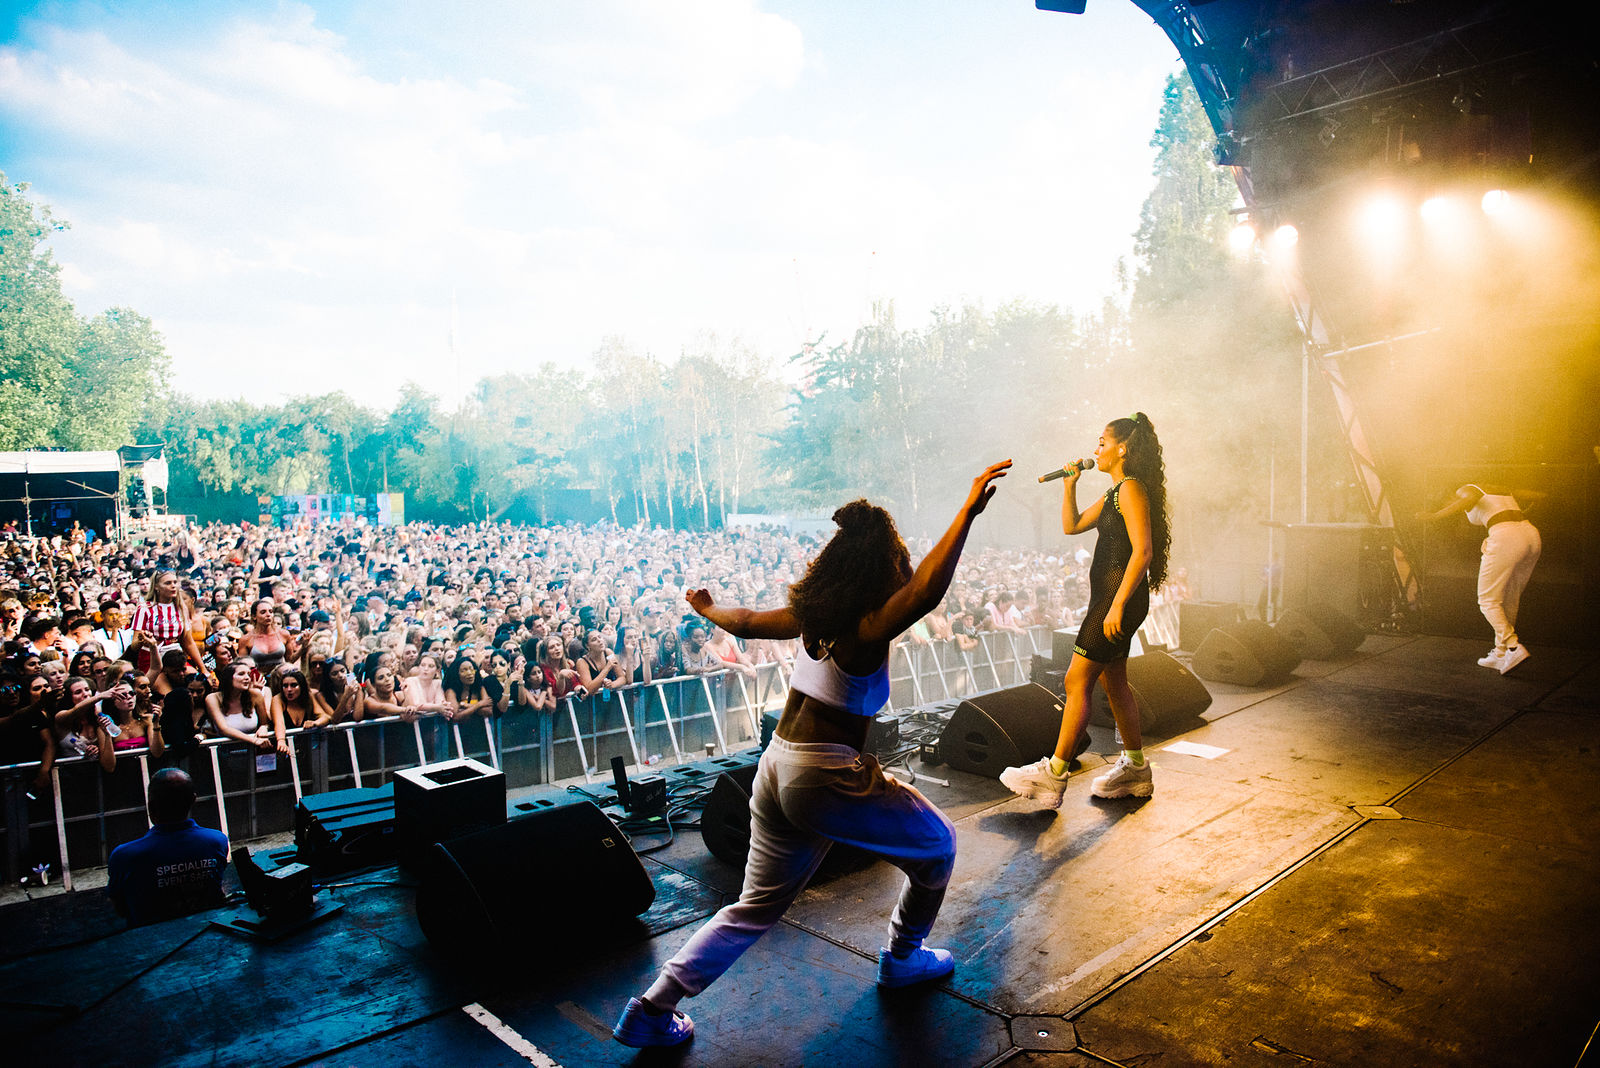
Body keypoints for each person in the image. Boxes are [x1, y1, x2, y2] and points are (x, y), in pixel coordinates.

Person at [612, 459, 1011, 1049]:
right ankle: (903, 957)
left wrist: (707, 610)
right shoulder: (867, 627)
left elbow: (744, 622)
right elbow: (926, 591)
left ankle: (651, 1008)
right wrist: (966, 512)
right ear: (883, 570)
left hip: (775, 767)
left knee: (752, 907)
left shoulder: (812, 619)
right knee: (939, 846)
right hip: (824, 775)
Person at [1000, 413, 1171, 807]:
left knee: (1077, 681)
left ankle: (1054, 774)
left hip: (1117, 601)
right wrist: (1069, 486)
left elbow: (1142, 552)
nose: (1096, 449)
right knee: (1114, 684)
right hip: (1110, 601)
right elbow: (1072, 525)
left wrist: (1118, 606)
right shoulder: (1116, 492)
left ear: (1121, 449)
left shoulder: (1130, 489)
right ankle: (1135, 767)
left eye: (1102, 442)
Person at [1415, 482, 1544, 673]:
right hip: (1530, 533)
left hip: (1506, 536)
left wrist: (1434, 516)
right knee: (1510, 596)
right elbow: (1539, 495)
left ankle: (1513, 647)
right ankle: (1500, 653)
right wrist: (1517, 516)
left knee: (1487, 600)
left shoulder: (1466, 488)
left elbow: (1468, 498)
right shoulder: (1499, 488)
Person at [107, 768, 229, 926]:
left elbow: (121, 909)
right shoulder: (217, 841)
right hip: (206, 930)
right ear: (193, 800)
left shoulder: (124, 856)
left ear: (150, 806)